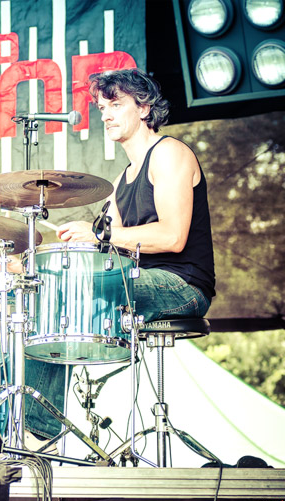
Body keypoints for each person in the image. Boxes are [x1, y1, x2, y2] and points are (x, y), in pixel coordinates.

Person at [23, 68, 216, 444]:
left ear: (144, 108)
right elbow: (105, 250)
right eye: (101, 108)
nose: (106, 115)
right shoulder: (121, 181)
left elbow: (173, 237)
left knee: (69, 291)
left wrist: (100, 233)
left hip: (182, 285)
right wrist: (27, 268)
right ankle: (25, 423)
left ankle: (37, 432)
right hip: (137, 280)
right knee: (40, 295)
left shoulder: (169, 154)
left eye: (115, 104)